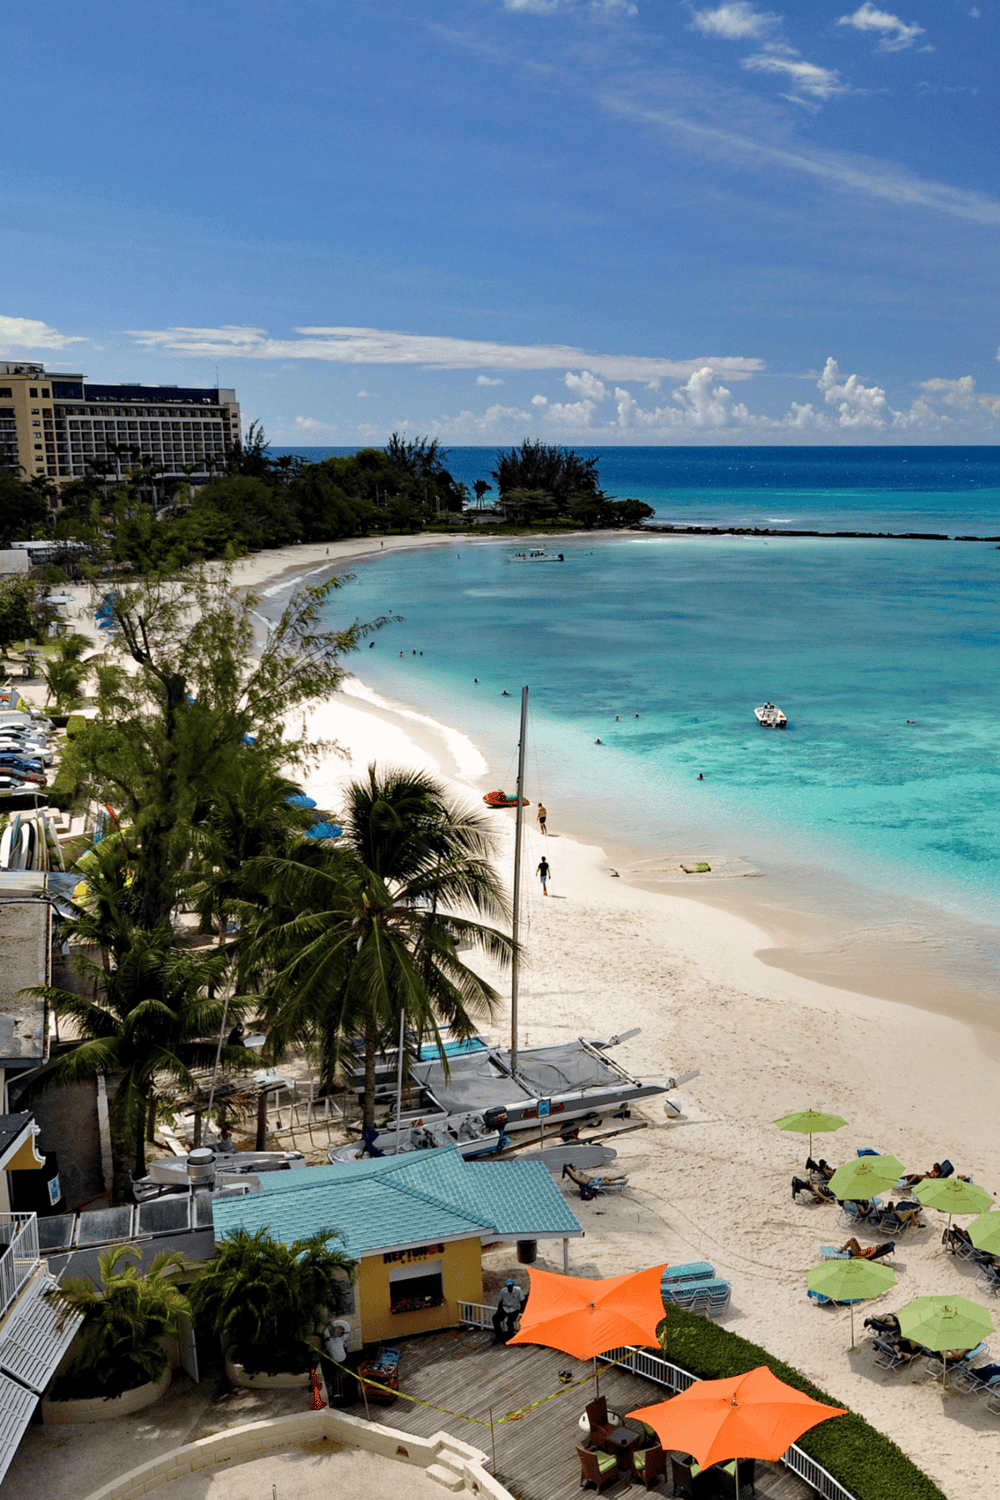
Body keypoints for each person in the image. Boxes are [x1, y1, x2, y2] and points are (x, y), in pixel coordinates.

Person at [319, 1318, 352, 1404]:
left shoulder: (328, 1342)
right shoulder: (340, 1340)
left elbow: (326, 1335)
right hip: (343, 1360)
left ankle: (334, 1392)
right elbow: (347, 1330)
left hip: (333, 1362)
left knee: (334, 1375)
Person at [492, 1279, 527, 1344]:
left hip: (515, 1309)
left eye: (511, 1286)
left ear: (513, 1285)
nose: (509, 1287)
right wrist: (498, 1312)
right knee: (495, 1319)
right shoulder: (503, 1291)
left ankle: (510, 1337)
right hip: (505, 1308)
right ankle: (499, 1336)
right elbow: (500, 1302)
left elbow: (522, 1301)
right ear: (506, 1286)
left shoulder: (518, 1290)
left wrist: (523, 1311)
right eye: (508, 1286)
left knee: (509, 1322)